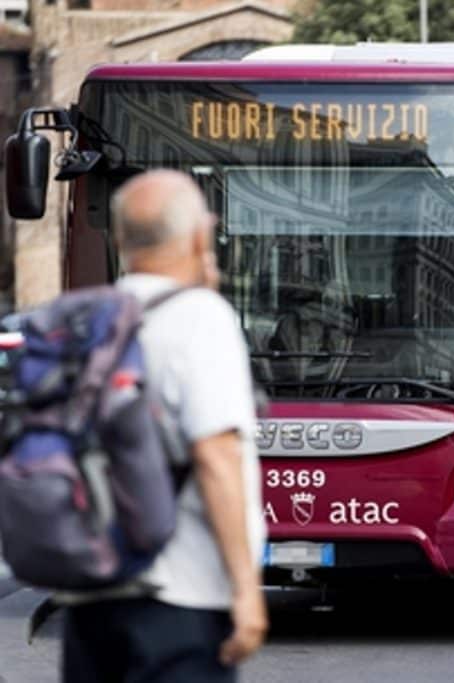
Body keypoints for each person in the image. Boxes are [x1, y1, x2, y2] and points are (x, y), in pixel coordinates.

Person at [61, 170, 268, 682]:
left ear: (119, 241)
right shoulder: (201, 318)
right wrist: (246, 590)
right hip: (180, 598)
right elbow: (216, 458)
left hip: (90, 599)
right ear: (199, 237)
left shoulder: (87, 320)